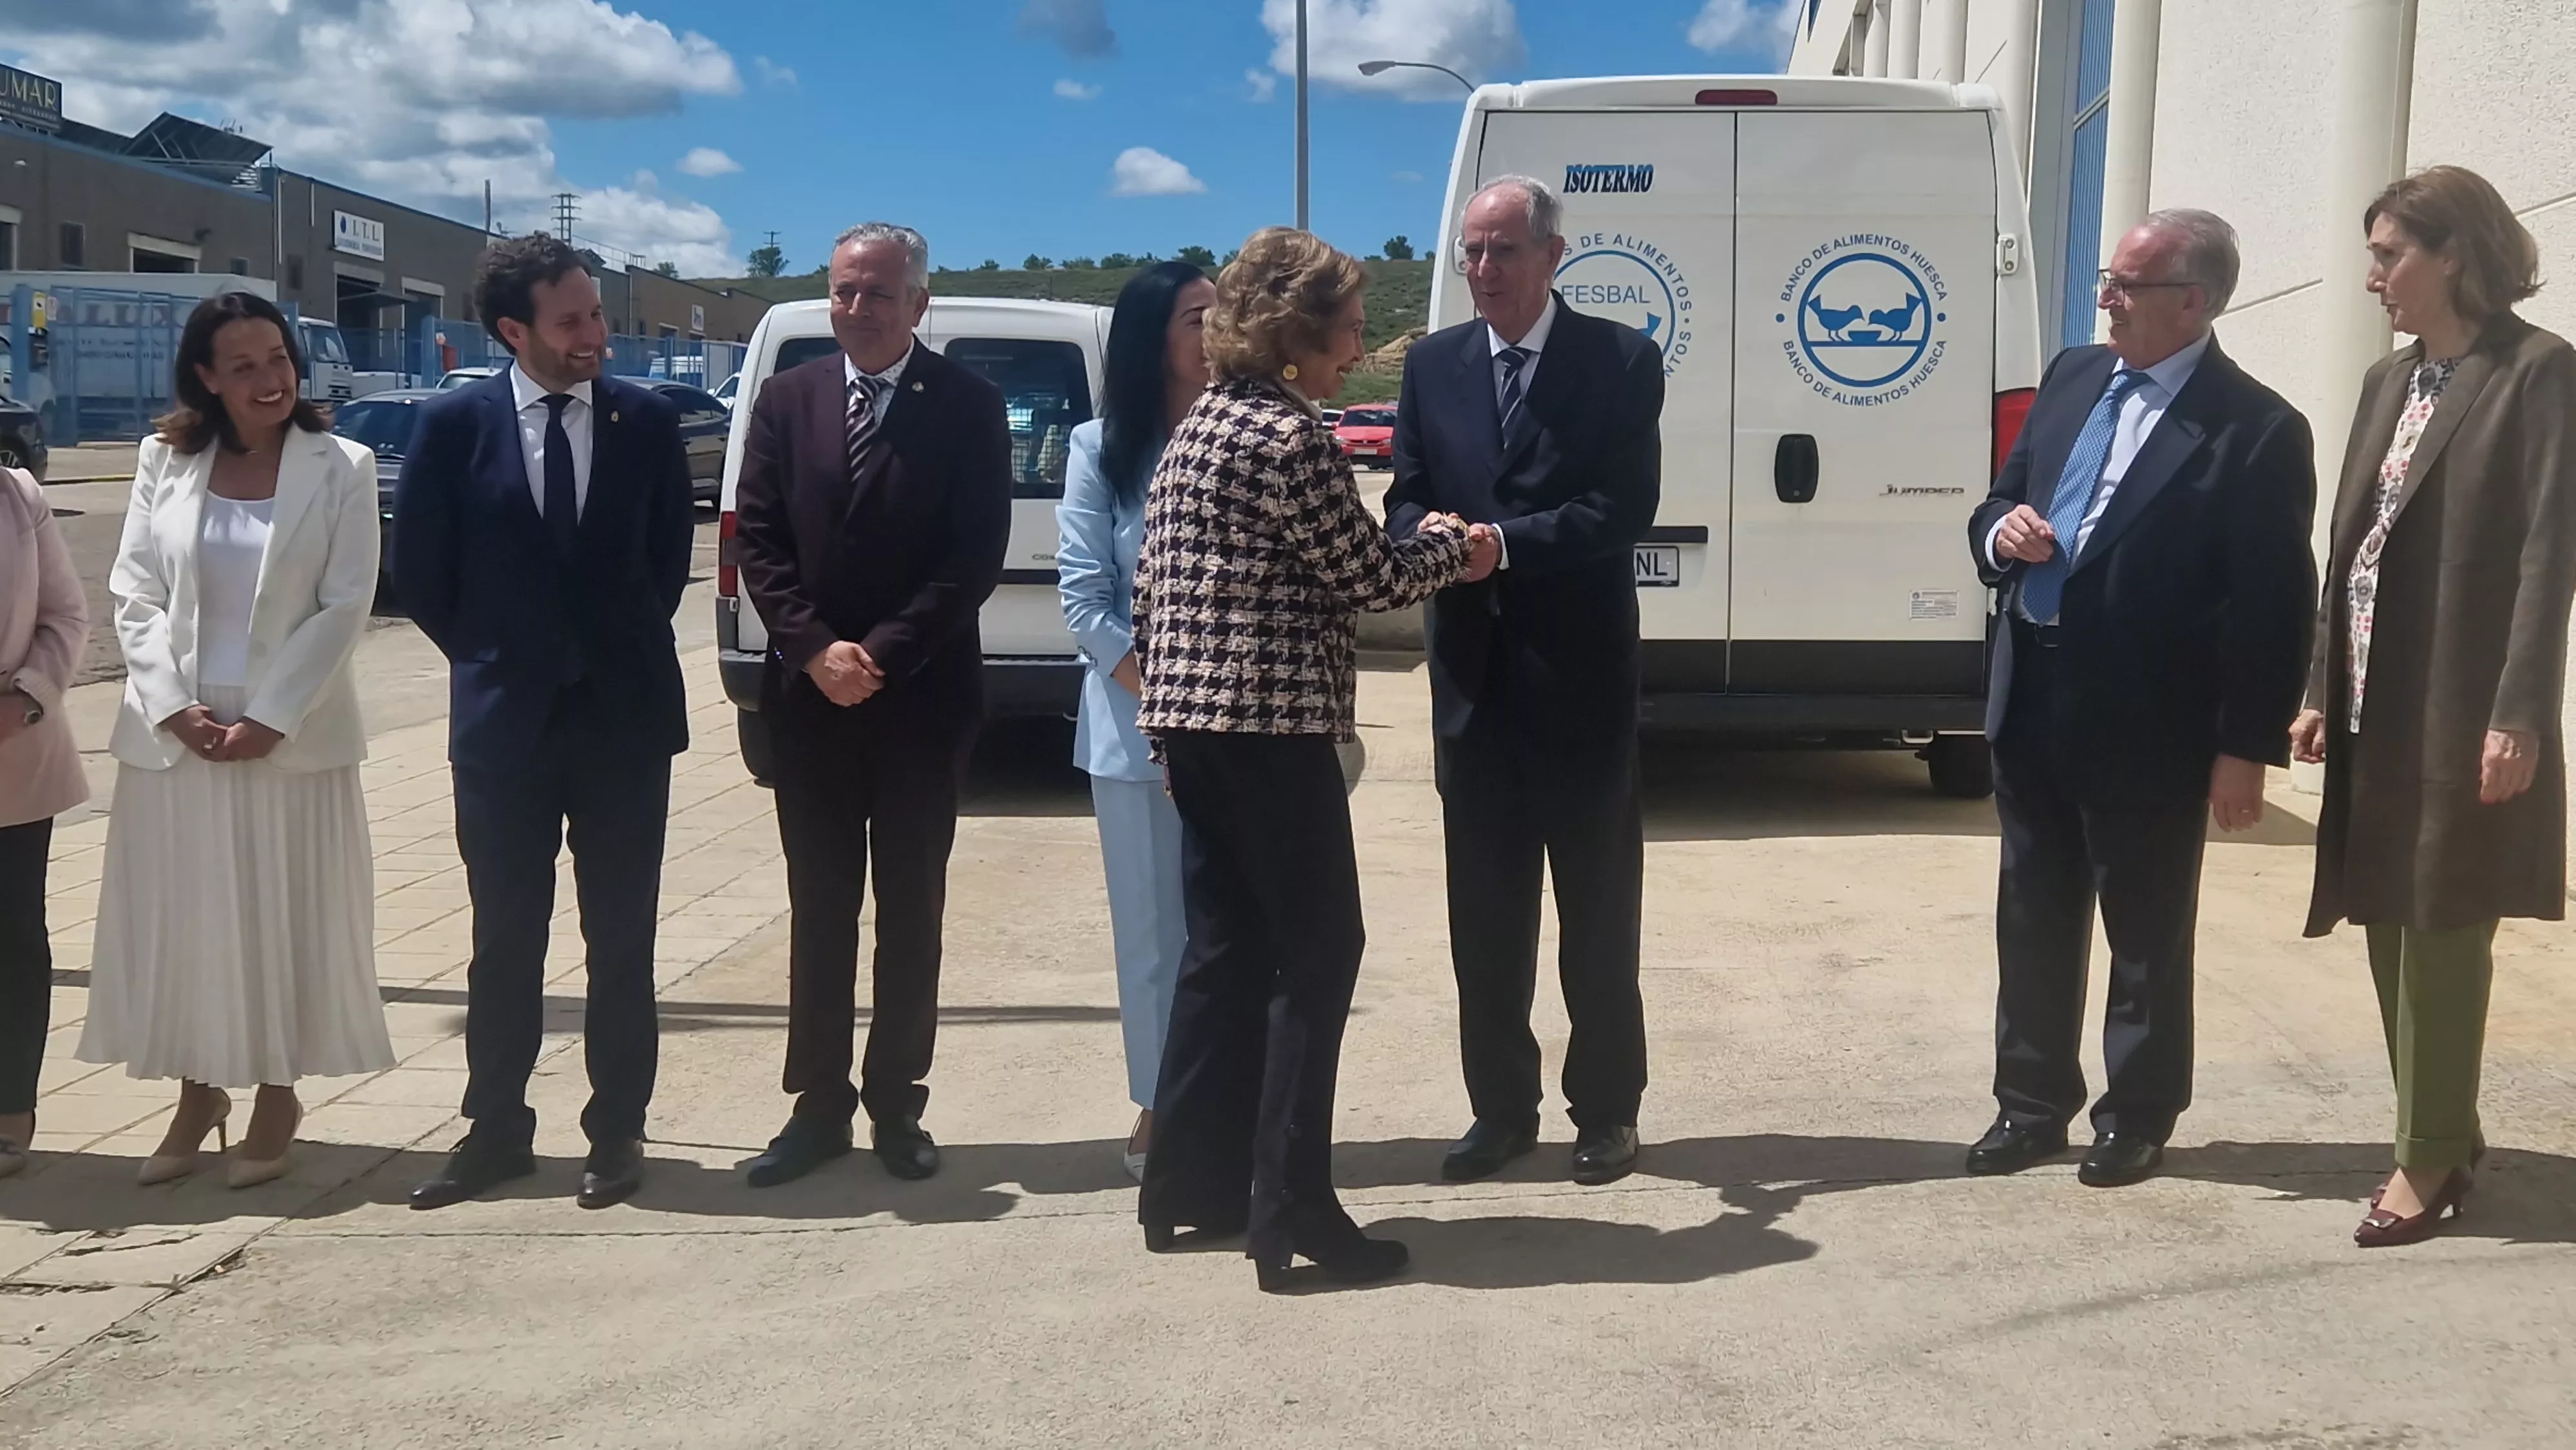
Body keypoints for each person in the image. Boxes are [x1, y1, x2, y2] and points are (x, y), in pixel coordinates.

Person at [1134, 227, 1474, 1291]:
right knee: (1318, 955)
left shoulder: (1199, 429)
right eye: (1348, 330)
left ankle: (1188, 1184)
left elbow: (1154, 587)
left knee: (1224, 950)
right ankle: (1292, 1208)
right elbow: (1367, 576)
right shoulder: (1290, 437)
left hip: (1193, 730)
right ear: (1297, 336)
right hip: (1272, 738)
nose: (1358, 349)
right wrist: (1458, 549)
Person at [1964, 209, 2316, 1187]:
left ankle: (2138, 1115)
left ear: (2193, 302)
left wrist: (2246, 744)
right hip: (2031, 691)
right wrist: (2005, 533)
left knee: (2147, 931)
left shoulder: (2257, 427)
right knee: (2033, 914)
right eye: (2107, 281)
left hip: (2152, 724)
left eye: (2126, 284)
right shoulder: (2077, 376)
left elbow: (2277, 604)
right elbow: (1997, 499)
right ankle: (2029, 1106)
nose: (2106, 299)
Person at [2289, 166, 2576, 1247]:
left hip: (2464, 699)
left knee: (2447, 922)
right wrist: (2322, 684)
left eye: (2388, 255)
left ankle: (2427, 1162)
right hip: (2375, 694)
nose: (2372, 277)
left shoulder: (2539, 372)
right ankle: (2443, 1120)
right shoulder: (2386, 383)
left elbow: (2551, 555)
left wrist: (2520, 715)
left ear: (2454, 255)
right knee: (2384, 911)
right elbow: (2350, 549)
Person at [393, 235, 696, 1210]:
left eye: (599, 314)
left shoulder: (646, 423)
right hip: (504, 728)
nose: (595, 335)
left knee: (622, 940)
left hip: (621, 722)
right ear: (514, 329)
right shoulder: (450, 427)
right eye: (572, 321)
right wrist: (503, 660)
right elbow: (425, 579)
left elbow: (664, 566)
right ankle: (495, 1131)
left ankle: (617, 1133)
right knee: (504, 939)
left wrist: (594, 655)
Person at [1383, 174, 1664, 1187]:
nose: (1484, 271)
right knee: (1487, 919)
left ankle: (1607, 1113)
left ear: (1553, 255)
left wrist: (1505, 545)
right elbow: (1407, 491)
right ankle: (1501, 1111)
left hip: (1580, 681)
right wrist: (1425, 533)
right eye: (1470, 252)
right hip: (1473, 682)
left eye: (1503, 251)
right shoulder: (1436, 364)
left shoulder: (1620, 359)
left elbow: (1621, 507)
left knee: (1597, 914)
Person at [80, 291, 392, 1189]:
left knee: (282, 914)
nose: (269, 380)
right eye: (245, 366)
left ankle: (278, 1091)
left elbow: (345, 603)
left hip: (288, 738)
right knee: (188, 924)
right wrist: (174, 706)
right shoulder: (161, 461)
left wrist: (271, 716)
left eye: (280, 359)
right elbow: (134, 593)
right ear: (207, 379)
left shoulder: (343, 465)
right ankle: (197, 1088)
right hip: (177, 739)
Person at [732, 224, 1012, 1188]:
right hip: (807, 704)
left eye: (878, 294)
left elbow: (971, 557)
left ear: (919, 304)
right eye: (845, 291)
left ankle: (896, 1101)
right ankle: (816, 1107)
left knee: (909, 907)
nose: (858, 309)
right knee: (820, 909)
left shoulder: (970, 407)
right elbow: (758, 543)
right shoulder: (785, 399)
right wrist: (814, 651)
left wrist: (878, 656)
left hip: (920, 702)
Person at [1057, 260, 1217, 1181]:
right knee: (1155, 937)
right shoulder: (1097, 448)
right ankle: (1161, 1104)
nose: (1215, 330)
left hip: (1237, 734)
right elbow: (1087, 602)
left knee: (1230, 930)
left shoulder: (1248, 431)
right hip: (1137, 737)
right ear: (1153, 336)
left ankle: (1229, 1098)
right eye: (1200, 317)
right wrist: (1169, 703)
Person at [0, 456, 89, 1179]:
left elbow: (65, 614)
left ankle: (9, 1111)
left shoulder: (16, 495)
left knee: (12, 938)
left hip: (11, 752)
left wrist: (27, 694)